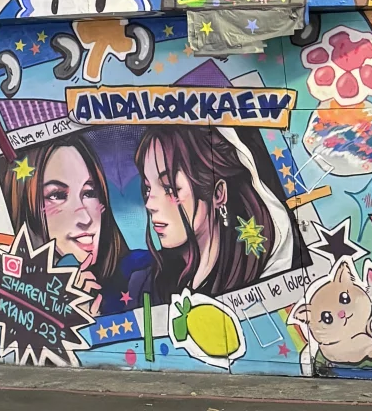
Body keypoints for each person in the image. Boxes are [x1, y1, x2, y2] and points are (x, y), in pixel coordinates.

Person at [128, 124, 304, 306]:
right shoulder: (144, 286)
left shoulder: (261, 279)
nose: (149, 204)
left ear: (218, 194)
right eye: (148, 188)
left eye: (169, 188)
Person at [0, 133, 147, 315]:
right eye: (57, 195)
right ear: (25, 206)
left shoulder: (141, 273)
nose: (86, 219)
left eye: (89, 193)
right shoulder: (15, 302)